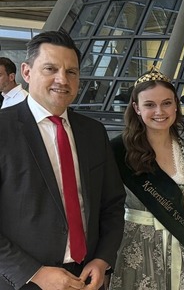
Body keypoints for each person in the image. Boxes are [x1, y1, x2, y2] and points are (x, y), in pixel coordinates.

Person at [0, 30, 125, 290]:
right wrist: (33, 273)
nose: (62, 79)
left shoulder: (93, 132)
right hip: (23, 281)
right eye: (50, 68)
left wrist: (102, 259)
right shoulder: (3, 129)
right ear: (26, 72)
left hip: (86, 279)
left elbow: (112, 204)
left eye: (71, 72)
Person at [109, 69, 184, 290]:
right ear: (136, 108)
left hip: (178, 248)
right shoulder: (117, 150)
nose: (159, 111)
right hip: (133, 249)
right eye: (149, 104)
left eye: (166, 103)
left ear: (176, 105)